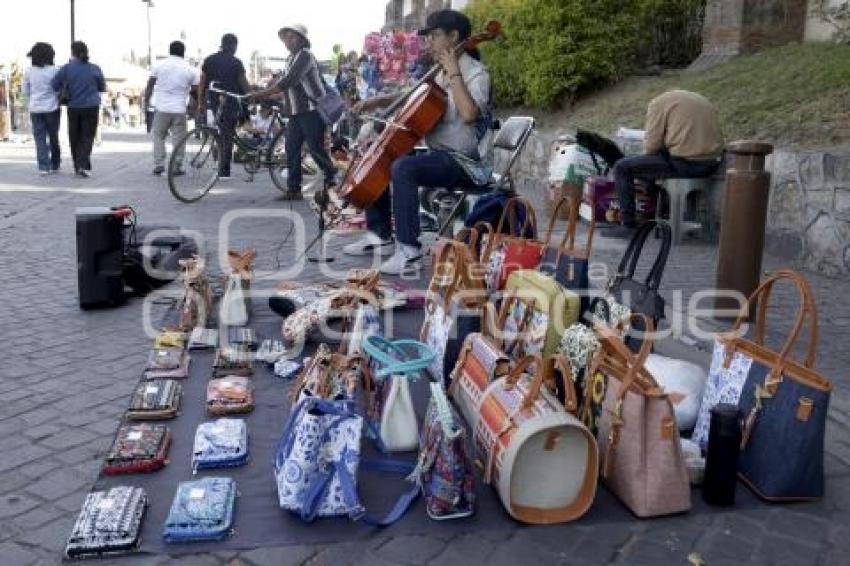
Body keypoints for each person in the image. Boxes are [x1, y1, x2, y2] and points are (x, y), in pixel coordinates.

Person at [342, 9, 493, 275]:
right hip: (442, 155)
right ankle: (380, 235)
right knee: (386, 155)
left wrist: (454, 72)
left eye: (435, 35)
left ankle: (409, 250)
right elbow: (412, 95)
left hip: (469, 163)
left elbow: (469, 114)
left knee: (404, 168)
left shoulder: (476, 74)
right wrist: (379, 101)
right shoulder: (438, 72)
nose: (429, 42)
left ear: (454, 36)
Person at [607, 89, 724, 238]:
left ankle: (628, 224)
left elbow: (652, 146)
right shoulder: (701, 100)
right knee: (652, 166)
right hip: (711, 163)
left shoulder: (657, 104)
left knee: (622, 167)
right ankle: (661, 213)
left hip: (686, 164)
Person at [249, 24, 338, 200]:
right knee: (291, 148)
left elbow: (288, 81)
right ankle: (294, 189)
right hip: (296, 112)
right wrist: (263, 93)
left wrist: (259, 94)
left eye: (292, 38)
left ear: (302, 40)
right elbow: (284, 84)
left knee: (315, 147)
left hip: (312, 110)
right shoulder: (290, 58)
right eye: (286, 38)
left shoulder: (305, 56)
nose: (288, 42)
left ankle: (332, 176)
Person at [197, 33, 251, 180]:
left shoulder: (209, 60)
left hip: (212, 103)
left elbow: (202, 83)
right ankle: (224, 169)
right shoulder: (236, 62)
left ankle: (218, 163)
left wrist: (200, 103)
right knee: (227, 135)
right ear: (234, 46)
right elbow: (244, 85)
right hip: (230, 103)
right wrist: (253, 97)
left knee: (216, 134)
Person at [145, 40, 200, 175]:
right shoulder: (190, 69)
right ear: (183, 52)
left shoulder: (159, 65)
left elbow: (150, 85)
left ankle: (159, 164)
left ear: (169, 51)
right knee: (179, 140)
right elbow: (194, 92)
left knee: (158, 136)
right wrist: (192, 108)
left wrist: (146, 101)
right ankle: (176, 166)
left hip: (161, 108)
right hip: (179, 110)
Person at [51, 41, 106, 178]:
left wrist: (66, 86)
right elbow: (102, 87)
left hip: (74, 106)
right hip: (92, 106)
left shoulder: (66, 68)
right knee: (87, 137)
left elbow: (54, 84)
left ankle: (78, 165)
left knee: (74, 136)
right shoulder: (95, 68)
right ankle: (84, 165)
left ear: (72, 53)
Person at [22, 42, 60, 175]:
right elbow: (58, 89)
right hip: (52, 108)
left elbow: (25, 91)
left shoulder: (28, 71)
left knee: (39, 138)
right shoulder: (55, 70)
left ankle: (43, 167)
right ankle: (55, 163)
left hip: (35, 109)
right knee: (53, 136)